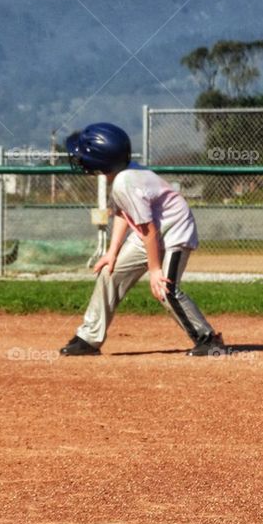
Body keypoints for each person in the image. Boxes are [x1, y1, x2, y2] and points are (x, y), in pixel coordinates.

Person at [59, 122, 225, 357]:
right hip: (152, 232)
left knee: (165, 289)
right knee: (110, 273)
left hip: (174, 231)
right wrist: (112, 252)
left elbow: (149, 229)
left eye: (85, 155)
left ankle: (209, 340)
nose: (80, 159)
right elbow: (122, 214)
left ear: (101, 160)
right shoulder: (121, 177)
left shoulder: (126, 181)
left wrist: (155, 269)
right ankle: (88, 338)